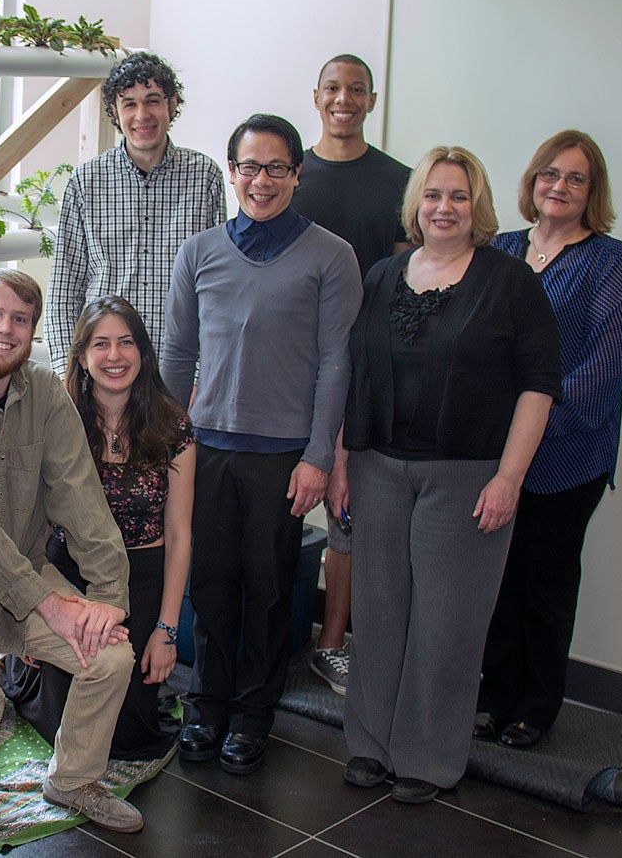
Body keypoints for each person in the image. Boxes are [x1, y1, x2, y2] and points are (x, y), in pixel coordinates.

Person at [340, 147, 562, 804]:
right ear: (417, 204)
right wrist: (345, 461)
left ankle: (429, 759)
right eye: (433, 195)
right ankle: (369, 746)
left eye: (459, 196)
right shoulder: (383, 274)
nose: (444, 207)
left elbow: (538, 385)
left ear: (478, 207)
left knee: (447, 624)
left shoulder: (510, 281)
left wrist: (510, 478)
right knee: (377, 616)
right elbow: (358, 375)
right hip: (380, 468)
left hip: (466, 477)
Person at [160, 114, 361, 775]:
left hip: (283, 456)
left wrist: (317, 456)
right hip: (206, 449)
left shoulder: (330, 255)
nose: (262, 180)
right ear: (232, 172)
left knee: (269, 588)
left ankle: (253, 715)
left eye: (277, 167)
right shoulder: (199, 251)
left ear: (297, 175)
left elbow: (337, 361)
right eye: (249, 166)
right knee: (211, 586)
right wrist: (164, 441)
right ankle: (207, 705)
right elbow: (180, 353)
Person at [0, 268, 143, 834]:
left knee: (112, 657)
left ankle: (71, 780)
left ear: (33, 331)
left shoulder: (45, 391)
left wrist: (108, 598)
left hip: (31, 577)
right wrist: (47, 603)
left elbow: (80, 496)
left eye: (20, 319)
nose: (5, 329)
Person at [475, 131, 622, 748]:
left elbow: (604, 368)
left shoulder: (609, 260)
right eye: (550, 174)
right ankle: (492, 697)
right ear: (532, 181)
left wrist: (526, 421)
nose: (560, 187)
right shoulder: (501, 248)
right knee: (497, 580)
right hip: (494, 454)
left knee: (546, 582)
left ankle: (537, 706)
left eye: (575, 179)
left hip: (570, 454)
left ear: (591, 192)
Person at [4, 296, 194, 760]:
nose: (114, 356)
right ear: (83, 358)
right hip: (71, 577)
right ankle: (17, 663)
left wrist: (166, 630)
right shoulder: (57, 418)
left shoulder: (174, 427)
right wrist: (33, 615)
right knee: (61, 721)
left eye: (126, 343)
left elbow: (182, 536)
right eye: (101, 344)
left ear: (143, 353)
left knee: (126, 734)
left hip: (142, 579)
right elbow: (35, 521)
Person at [294, 53, 412, 697]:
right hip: (286, 365)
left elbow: (401, 280)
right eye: (333, 88)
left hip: (362, 364)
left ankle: (332, 642)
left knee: (348, 509)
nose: (344, 99)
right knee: (279, 499)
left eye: (356, 90)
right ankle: (268, 637)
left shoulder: (399, 181)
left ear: (371, 100)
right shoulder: (290, 174)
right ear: (316, 97)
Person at [45, 50, 226, 374]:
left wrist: (201, 373)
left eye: (153, 100)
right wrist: (66, 372)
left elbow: (216, 293)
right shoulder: (86, 182)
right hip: (101, 370)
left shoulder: (204, 177)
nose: (142, 114)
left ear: (171, 105)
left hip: (177, 372)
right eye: (129, 103)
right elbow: (64, 292)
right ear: (114, 111)